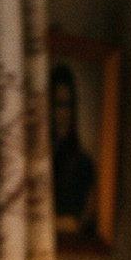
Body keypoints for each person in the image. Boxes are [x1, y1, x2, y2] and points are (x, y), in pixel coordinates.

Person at [50, 62, 98, 235]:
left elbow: (75, 223)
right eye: (58, 105)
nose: (64, 114)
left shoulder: (82, 165)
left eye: (68, 106)